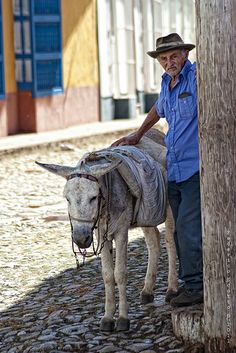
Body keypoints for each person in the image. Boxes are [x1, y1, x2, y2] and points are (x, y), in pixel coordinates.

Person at [111, 33, 203, 307]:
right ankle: (190, 283)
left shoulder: (198, 76)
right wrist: (138, 134)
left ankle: (197, 287)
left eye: (174, 56)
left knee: (188, 228)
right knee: (176, 232)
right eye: (163, 58)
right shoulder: (168, 83)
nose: (168, 62)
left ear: (185, 54)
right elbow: (158, 109)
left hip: (196, 167)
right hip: (173, 168)